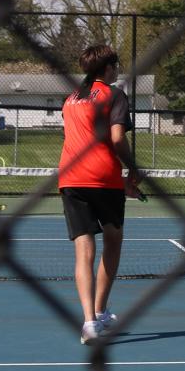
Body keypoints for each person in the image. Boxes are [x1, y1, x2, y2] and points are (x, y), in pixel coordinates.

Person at [58, 45, 143, 344]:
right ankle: (100, 310)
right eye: (116, 64)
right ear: (107, 68)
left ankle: (91, 322)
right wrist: (134, 170)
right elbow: (117, 139)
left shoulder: (70, 99)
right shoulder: (115, 94)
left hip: (70, 178)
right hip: (104, 179)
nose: (118, 69)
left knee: (84, 252)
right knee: (113, 242)